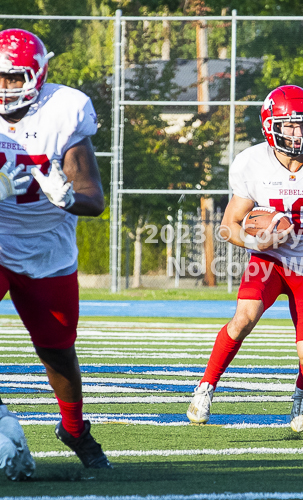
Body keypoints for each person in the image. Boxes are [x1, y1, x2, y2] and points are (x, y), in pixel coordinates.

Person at [187, 84, 303, 432]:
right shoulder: (253, 162)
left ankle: (302, 390)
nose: (299, 133)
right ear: (271, 126)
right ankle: (206, 386)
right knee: (242, 320)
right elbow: (228, 226)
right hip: (270, 261)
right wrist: (258, 242)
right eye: (291, 126)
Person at [0, 29, 111, 470]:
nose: (5, 87)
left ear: (38, 75)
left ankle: (74, 428)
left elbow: (94, 198)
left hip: (47, 249)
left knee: (56, 348)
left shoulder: (65, 110)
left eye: (13, 77)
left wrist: (65, 197)